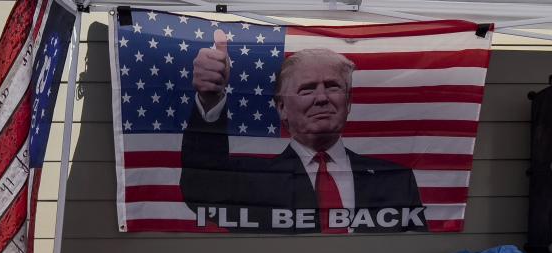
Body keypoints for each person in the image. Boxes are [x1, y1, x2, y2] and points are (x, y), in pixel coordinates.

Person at [180, 30, 423, 233]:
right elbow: (201, 187)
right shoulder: (253, 182)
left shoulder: (396, 180)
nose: (321, 98)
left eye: (332, 86)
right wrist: (209, 98)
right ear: (282, 108)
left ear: (348, 103)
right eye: (307, 90)